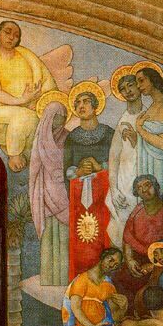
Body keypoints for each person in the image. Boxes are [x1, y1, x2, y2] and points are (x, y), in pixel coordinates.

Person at [0, 21, 57, 172]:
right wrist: (20, 100)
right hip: (10, 103)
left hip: (32, 107)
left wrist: (35, 101)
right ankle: (9, 138)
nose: (11, 37)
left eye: (16, 35)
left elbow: (47, 86)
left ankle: (15, 154)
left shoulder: (27, 57)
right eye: (7, 32)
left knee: (23, 117)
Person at [63, 83, 115, 279]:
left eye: (85, 102)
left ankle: (105, 279)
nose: (81, 106)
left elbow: (119, 162)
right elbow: (66, 169)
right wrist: (77, 171)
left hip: (104, 193)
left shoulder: (109, 134)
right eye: (77, 103)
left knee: (104, 234)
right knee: (82, 237)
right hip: (79, 196)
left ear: (95, 106)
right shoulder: (71, 138)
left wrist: (99, 166)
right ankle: (80, 279)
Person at [113, 174, 163, 303]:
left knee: (148, 291)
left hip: (161, 260)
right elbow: (127, 238)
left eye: (147, 185)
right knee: (118, 279)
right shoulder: (137, 210)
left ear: (156, 186)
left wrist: (153, 265)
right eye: (139, 188)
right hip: (137, 259)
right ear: (137, 193)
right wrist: (129, 260)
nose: (144, 189)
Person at [29, 96, 70, 285]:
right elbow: (34, 169)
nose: (60, 120)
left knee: (64, 235)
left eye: (63, 116)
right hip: (45, 193)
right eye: (56, 116)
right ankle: (48, 278)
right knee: (48, 236)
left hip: (63, 193)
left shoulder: (68, 137)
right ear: (48, 118)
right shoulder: (39, 140)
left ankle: (64, 278)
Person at [60, 247, 124, 326]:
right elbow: (76, 309)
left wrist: (124, 307)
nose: (112, 265)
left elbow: (114, 317)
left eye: (116, 265)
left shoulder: (109, 285)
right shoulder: (82, 279)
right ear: (103, 256)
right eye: (111, 260)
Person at [107, 66, 146, 246]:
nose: (128, 91)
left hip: (144, 174)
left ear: (139, 86)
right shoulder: (122, 120)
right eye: (123, 89)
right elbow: (114, 156)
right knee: (121, 224)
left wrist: (138, 141)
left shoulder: (149, 115)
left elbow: (159, 150)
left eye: (131, 85)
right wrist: (114, 189)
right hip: (124, 178)